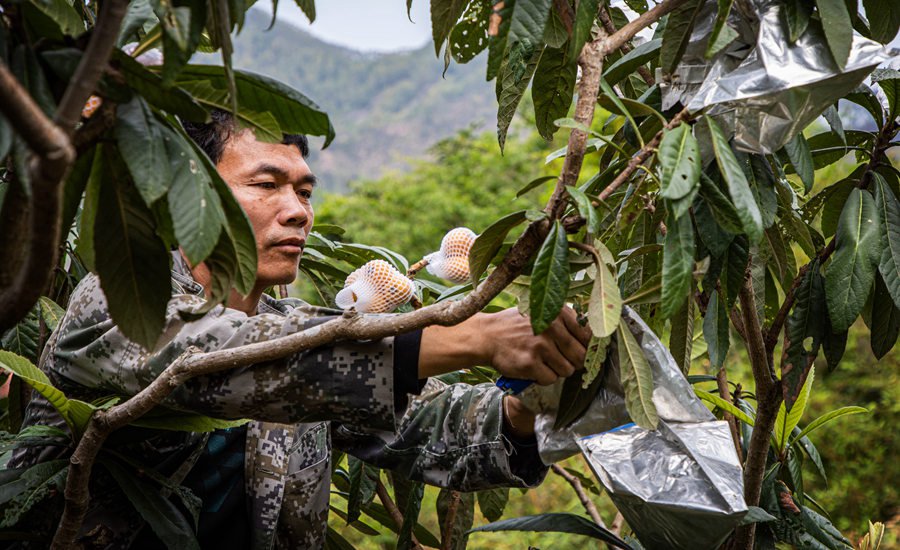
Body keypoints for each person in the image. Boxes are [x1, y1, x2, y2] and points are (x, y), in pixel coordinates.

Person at [9, 110, 590, 549]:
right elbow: (233, 361)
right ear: (188, 195)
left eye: (305, 191)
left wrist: (532, 400)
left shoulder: (297, 330)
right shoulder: (118, 296)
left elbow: (445, 431)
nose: (298, 211)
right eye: (266, 185)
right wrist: (475, 337)